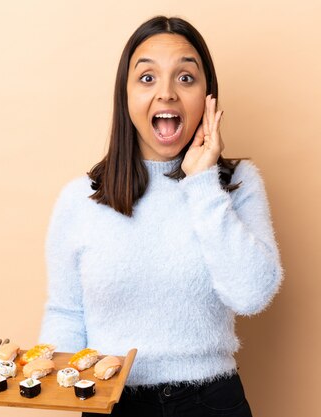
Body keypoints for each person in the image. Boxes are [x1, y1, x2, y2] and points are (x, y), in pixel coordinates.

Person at [39, 15, 283, 417]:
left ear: (209, 97)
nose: (166, 93)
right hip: (111, 402)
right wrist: (61, 386)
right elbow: (66, 312)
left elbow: (252, 295)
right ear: (125, 95)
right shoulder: (79, 199)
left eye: (185, 78)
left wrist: (202, 182)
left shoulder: (236, 184)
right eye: (147, 78)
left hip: (211, 402)